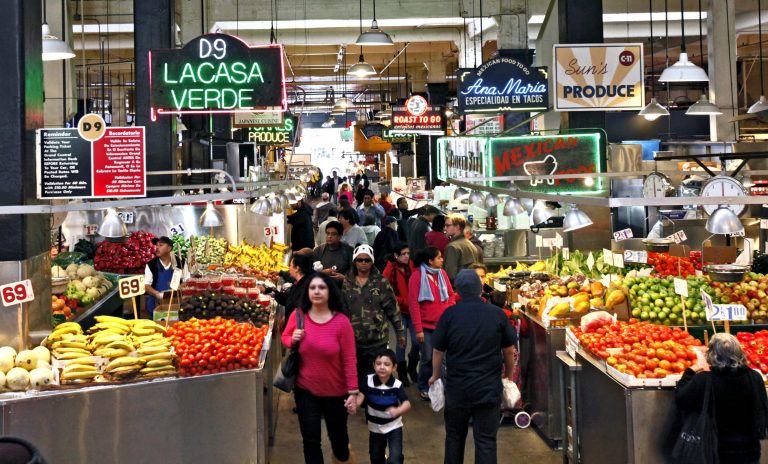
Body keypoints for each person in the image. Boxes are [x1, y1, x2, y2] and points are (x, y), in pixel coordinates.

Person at [428, 270, 518, 464]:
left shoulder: (449, 315)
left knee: (454, 438)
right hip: (488, 388)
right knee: (486, 440)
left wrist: (435, 376)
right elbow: (509, 350)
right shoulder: (496, 314)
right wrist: (508, 377)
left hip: (457, 389)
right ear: (480, 289)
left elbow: (437, 350)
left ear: (457, 291)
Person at [282, 272, 360, 464]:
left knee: (339, 443)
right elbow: (285, 337)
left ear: (330, 292)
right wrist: (293, 339)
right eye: (312, 288)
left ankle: (344, 455)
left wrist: (353, 392)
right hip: (305, 390)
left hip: (336, 392)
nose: (316, 291)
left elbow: (349, 359)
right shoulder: (298, 315)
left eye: (322, 287)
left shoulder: (341, 323)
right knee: (310, 440)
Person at [675, 333, 768, 464]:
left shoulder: (704, 379)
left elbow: (681, 399)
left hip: (715, 451)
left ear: (712, 354)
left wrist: (690, 372)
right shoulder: (754, 377)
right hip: (749, 451)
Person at [341, 245, 405, 388]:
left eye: (367, 260)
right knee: (356, 376)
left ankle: (372, 406)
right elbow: (343, 309)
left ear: (372, 262)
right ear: (354, 262)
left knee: (375, 378)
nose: (363, 263)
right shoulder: (347, 282)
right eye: (360, 260)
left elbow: (392, 309)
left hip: (377, 341)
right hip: (354, 340)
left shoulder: (381, 282)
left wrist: (400, 332)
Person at [408, 247, 456, 400]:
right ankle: (424, 385)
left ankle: (440, 386)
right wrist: (418, 329)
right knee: (428, 357)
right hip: (426, 327)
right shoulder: (416, 277)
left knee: (443, 359)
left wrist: (450, 312)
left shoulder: (442, 274)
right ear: (430, 260)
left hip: (443, 326)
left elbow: (450, 295)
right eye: (439, 257)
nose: (442, 260)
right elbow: (414, 305)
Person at [356, 349, 411, 464]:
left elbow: (407, 403)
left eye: (386, 364)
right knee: (376, 457)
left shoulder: (397, 385)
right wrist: (354, 405)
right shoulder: (368, 380)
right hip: (375, 428)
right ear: (373, 365)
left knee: (395, 458)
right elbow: (361, 396)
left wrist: (398, 410)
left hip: (393, 426)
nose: (382, 367)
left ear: (394, 367)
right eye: (378, 363)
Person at [383, 243, 419, 386]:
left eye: (408, 253)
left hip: (413, 310)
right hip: (399, 311)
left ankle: (412, 365)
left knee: (417, 342)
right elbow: (387, 291)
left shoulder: (413, 267)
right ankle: (402, 372)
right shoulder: (390, 269)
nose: (406, 256)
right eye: (403, 254)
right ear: (396, 255)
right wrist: (402, 301)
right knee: (401, 343)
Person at [144, 236, 188, 320]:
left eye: (160, 245)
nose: (157, 248)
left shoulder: (181, 262)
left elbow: (187, 281)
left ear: (169, 248)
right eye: (156, 245)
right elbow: (146, 286)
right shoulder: (151, 264)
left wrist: (177, 289)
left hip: (176, 303)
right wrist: (158, 294)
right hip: (156, 305)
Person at [275, 252, 314, 330]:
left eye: (290, 265)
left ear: (297, 268)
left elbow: (291, 303)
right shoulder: (302, 281)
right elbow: (289, 300)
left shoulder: (304, 288)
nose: (289, 268)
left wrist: (289, 318)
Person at [313, 221, 354, 285]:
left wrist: (344, 279)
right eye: (328, 233)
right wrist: (323, 273)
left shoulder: (348, 251)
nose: (329, 236)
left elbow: (356, 274)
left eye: (333, 234)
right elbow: (310, 273)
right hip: (323, 287)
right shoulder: (319, 250)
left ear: (340, 236)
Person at [443, 214, 481, 282]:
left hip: (457, 289)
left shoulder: (452, 247)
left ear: (457, 227)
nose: (445, 228)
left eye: (448, 225)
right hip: (469, 286)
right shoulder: (470, 243)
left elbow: (450, 275)